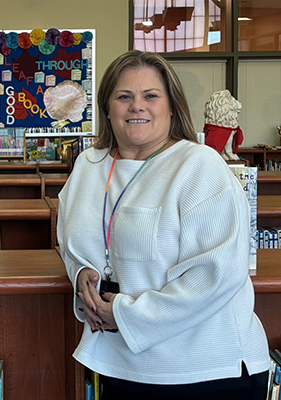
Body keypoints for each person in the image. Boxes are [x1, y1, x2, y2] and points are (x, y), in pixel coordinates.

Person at [57, 50, 269, 400]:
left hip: (208, 372)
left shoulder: (200, 166)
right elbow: (70, 237)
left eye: (150, 96)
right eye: (124, 96)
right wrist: (81, 274)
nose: (136, 106)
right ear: (107, 108)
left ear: (172, 107)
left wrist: (125, 317)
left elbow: (217, 275)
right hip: (122, 364)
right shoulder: (88, 165)